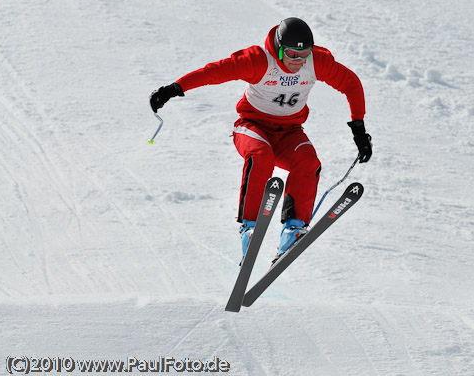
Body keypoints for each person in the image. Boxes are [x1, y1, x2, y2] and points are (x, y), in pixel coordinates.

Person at [149, 17, 372, 263]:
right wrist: (174, 88)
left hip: (290, 132)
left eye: (304, 54)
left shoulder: (317, 62)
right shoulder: (258, 61)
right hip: (252, 127)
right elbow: (215, 71)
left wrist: (358, 129)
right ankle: (249, 229)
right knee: (261, 156)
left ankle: (292, 229)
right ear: (278, 48)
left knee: (309, 162)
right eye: (291, 54)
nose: (298, 61)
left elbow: (351, 83)